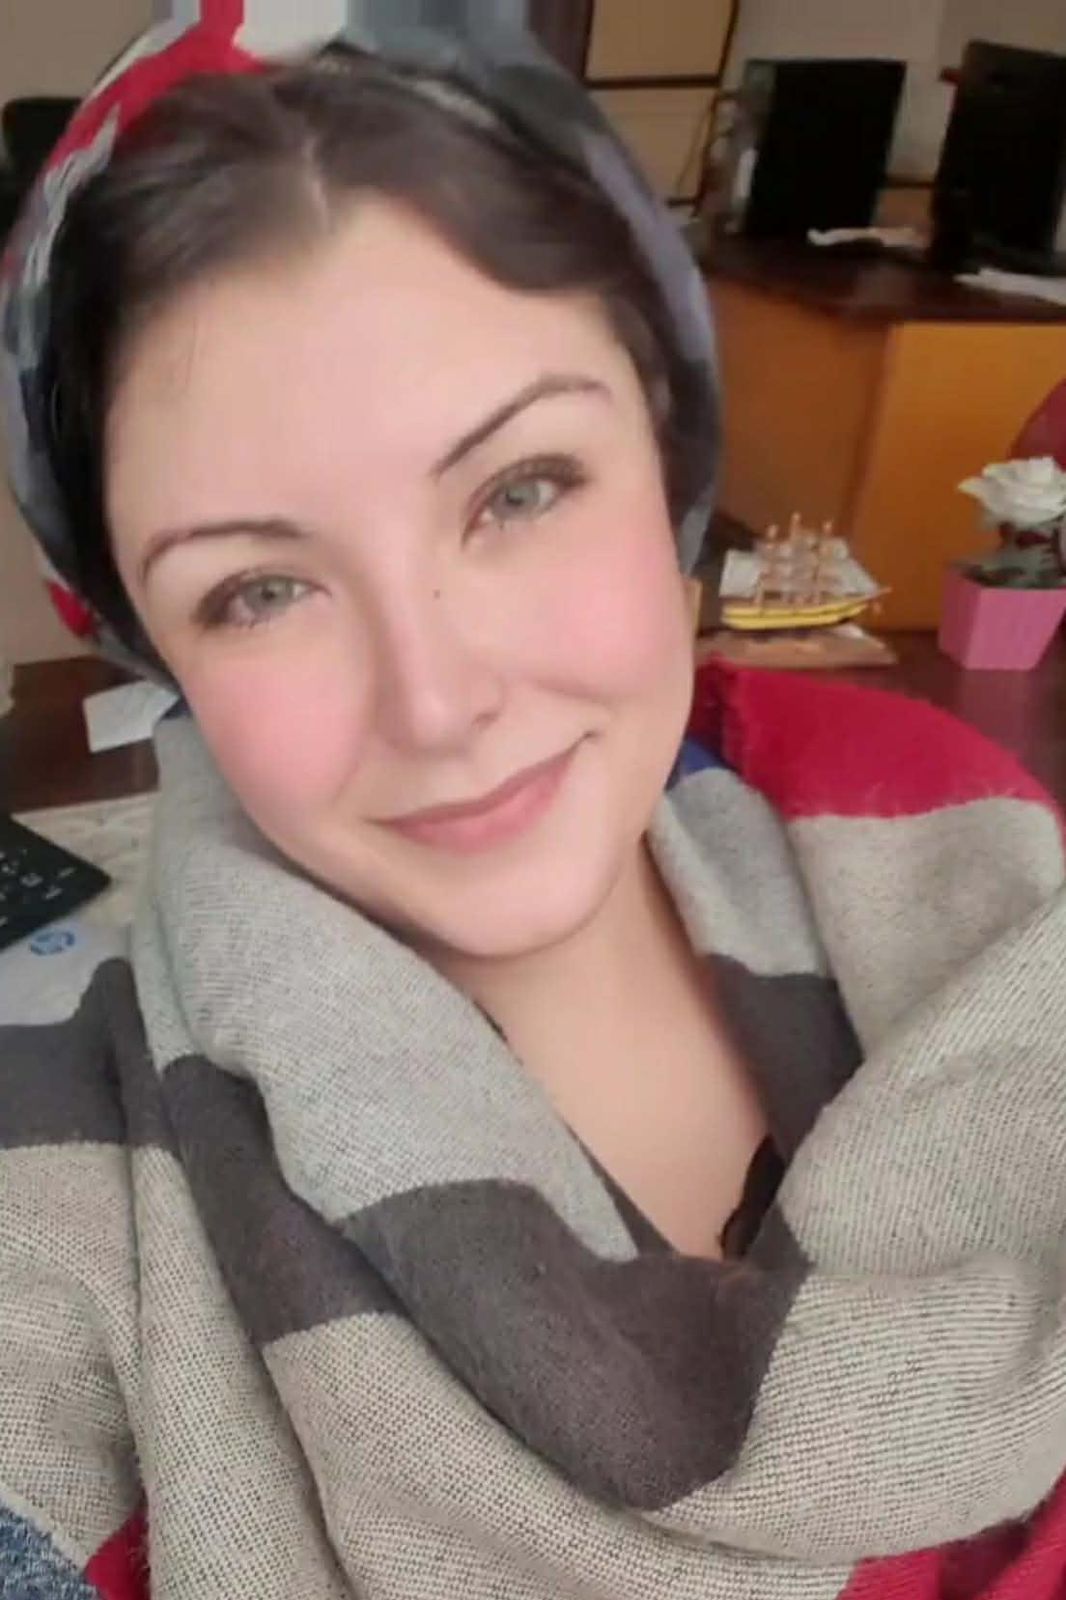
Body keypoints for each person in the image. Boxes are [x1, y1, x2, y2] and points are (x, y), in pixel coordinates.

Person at [1, 7, 1065, 1598]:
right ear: (159, 649)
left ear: (670, 460)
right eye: (260, 588)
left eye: (519, 490)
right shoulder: (66, 1193)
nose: (436, 704)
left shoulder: (971, 864)